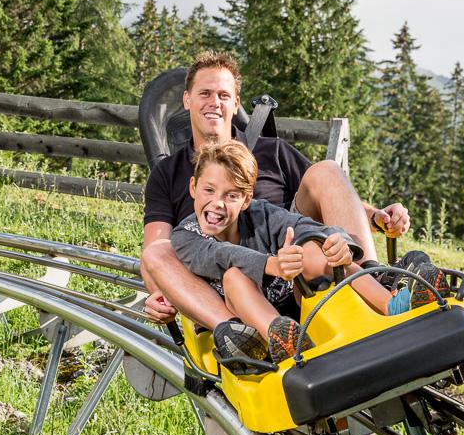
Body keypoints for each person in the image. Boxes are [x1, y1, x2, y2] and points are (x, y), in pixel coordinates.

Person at [141, 51, 414, 328]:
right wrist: (158, 293)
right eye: (205, 93)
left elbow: (322, 202)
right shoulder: (168, 173)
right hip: (224, 285)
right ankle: (235, 332)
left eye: (223, 95)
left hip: (295, 267)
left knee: (327, 170)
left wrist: (377, 216)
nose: (214, 103)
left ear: (235, 104)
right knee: (157, 252)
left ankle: (374, 281)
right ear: (187, 100)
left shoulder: (272, 150)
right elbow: (157, 250)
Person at [171, 140, 437, 368]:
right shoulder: (186, 236)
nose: (217, 203)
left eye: (231, 195)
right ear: (193, 187)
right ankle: (284, 341)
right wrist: (271, 264)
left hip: (296, 301)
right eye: (209, 190)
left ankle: (392, 304)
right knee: (232, 276)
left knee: (317, 247)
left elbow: (304, 226)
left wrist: (339, 244)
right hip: (252, 318)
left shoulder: (260, 214)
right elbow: (220, 254)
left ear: (246, 200)